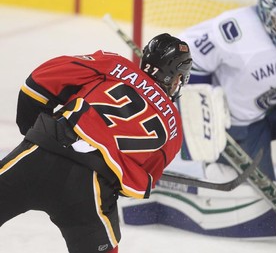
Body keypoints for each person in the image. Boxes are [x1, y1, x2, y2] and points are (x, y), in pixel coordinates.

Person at [120, 0, 276, 239]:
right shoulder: (232, 30)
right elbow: (190, 56)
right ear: (265, 14)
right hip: (242, 121)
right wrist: (202, 106)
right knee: (260, 203)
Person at [0, 33, 192, 253]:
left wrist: (35, 133)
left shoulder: (114, 65)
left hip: (43, 151)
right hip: (90, 185)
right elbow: (136, 183)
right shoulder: (174, 127)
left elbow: (37, 83)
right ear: (177, 79)